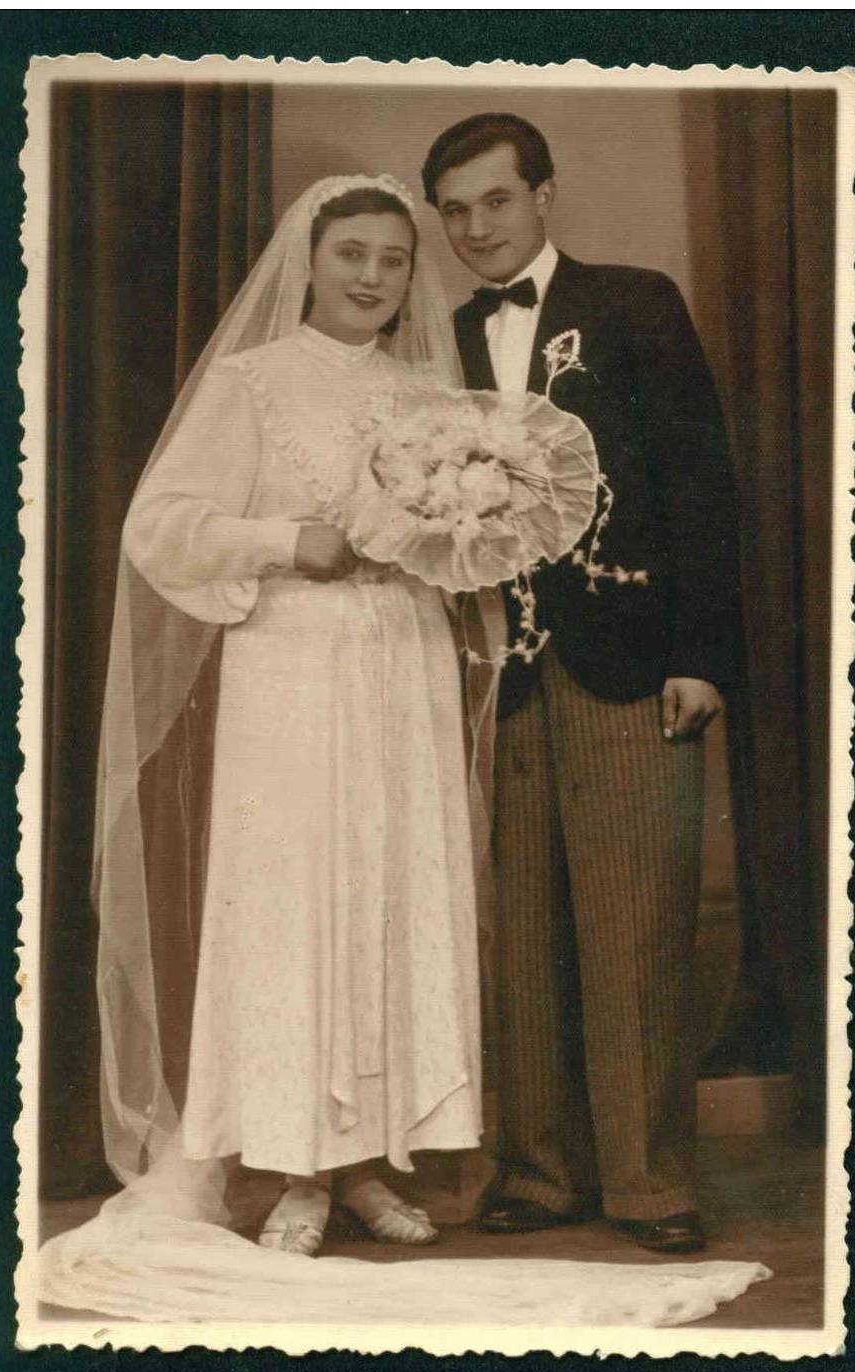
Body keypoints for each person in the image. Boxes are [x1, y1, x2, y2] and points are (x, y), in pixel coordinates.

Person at [91, 173, 499, 1261]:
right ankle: (294, 1171)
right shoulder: (252, 381)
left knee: (388, 893)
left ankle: (369, 1164)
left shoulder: (431, 392)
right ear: (308, 262)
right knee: (295, 898)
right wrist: (284, 541)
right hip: (290, 668)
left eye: (393, 260)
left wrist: (462, 539)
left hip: (400, 663)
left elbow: (463, 543)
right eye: (351, 255)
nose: (372, 277)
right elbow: (161, 524)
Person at [422, 114, 742, 1253]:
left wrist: (699, 652)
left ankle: (648, 1184)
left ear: (543, 195)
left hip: (630, 656)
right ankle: (538, 1174)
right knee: (521, 930)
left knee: (638, 922)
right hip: (493, 673)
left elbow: (699, 479)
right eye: (452, 211)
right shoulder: (441, 336)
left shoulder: (633, 301)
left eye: (492, 202)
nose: (473, 229)